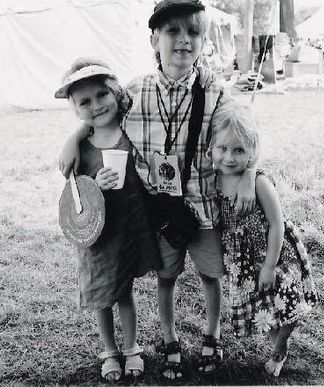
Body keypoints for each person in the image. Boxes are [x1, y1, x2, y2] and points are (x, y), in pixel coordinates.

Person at [58, 0, 256, 380]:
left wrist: (249, 174)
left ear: (203, 39)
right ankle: (169, 338)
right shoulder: (135, 90)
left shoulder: (213, 88)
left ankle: (211, 336)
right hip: (163, 211)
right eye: (172, 32)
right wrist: (74, 136)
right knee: (167, 275)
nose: (184, 41)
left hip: (205, 205)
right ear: (154, 39)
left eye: (193, 32)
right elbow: (101, 115)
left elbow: (242, 135)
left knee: (210, 274)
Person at [55, 58, 162, 382]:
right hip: (98, 236)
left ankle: (131, 348)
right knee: (102, 297)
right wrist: (93, 181)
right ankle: (110, 352)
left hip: (128, 229)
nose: (96, 105)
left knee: (125, 292)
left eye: (102, 95)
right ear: (75, 109)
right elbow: (73, 191)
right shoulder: (80, 148)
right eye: (84, 102)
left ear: (115, 92)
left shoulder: (130, 131)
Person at [207, 100, 318, 377]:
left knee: (287, 300)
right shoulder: (213, 178)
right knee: (263, 306)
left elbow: (277, 225)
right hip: (242, 257)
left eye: (239, 150)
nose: (229, 157)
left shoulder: (259, 182)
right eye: (222, 148)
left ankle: (281, 346)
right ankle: (276, 339)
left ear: (253, 151)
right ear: (211, 147)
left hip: (273, 252)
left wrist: (269, 265)